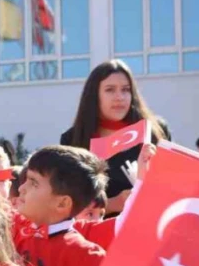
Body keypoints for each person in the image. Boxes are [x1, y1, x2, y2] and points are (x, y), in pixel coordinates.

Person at [60, 60, 169, 214]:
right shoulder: (73, 139)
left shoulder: (154, 131)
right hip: (101, 232)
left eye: (126, 90)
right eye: (110, 90)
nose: (120, 97)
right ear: (94, 95)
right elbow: (69, 203)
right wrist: (112, 204)